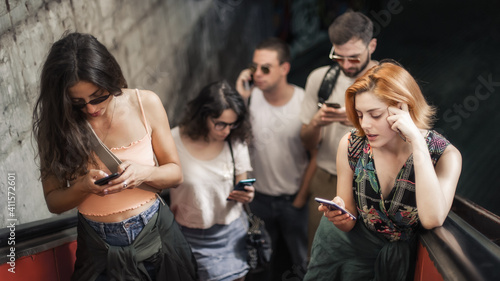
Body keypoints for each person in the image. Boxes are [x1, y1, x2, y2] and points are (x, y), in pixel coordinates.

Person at [32, 32, 197, 281]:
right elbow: (54, 202)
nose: (91, 108)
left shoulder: (145, 103)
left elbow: (175, 173)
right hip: (98, 246)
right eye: (77, 103)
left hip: (155, 233)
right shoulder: (55, 128)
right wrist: (84, 186)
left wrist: (143, 172)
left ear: (111, 79)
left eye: (99, 96)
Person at [304, 60, 462, 281]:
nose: (365, 124)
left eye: (375, 115)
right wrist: (339, 214)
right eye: (359, 115)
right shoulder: (351, 144)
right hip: (341, 250)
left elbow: (432, 218)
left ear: (402, 107)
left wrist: (417, 142)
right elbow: (349, 221)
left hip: (399, 262)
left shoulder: (445, 156)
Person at [299, 11, 379, 252]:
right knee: (320, 251)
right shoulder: (320, 79)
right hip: (326, 179)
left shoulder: (390, 83)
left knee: (364, 256)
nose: (346, 65)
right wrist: (316, 123)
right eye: (338, 57)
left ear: (372, 46)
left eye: (354, 58)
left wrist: (356, 121)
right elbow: (306, 142)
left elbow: (403, 138)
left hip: (373, 183)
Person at [235, 37, 310, 280]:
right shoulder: (251, 98)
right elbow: (237, 144)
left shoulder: (303, 102)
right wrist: (241, 99)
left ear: (284, 69)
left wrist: (300, 199)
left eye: (265, 68)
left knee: (303, 260)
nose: (257, 74)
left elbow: (317, 153)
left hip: (293, 199)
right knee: (261, 261)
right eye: (254, 67)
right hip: (259, 200)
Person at [169, 81, 255, 281]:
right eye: (220, 124)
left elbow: (243, 184)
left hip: (232, 231)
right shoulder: (174, 140)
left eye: (232, 124)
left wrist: (247, 194)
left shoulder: (235, 140)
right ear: (203, 116)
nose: (226, 130)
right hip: (190, 234)